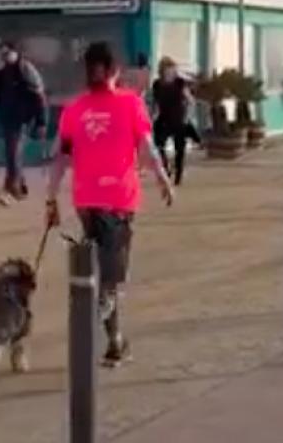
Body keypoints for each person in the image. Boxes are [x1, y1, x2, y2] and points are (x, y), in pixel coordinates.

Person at [44, 42, 175, 368]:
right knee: (112, 278)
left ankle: (115, 341)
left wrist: (50, 197)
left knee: (103, 272)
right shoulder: (130, 104)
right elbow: (147, 147)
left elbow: (60, 156)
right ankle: (97, 321)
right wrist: (163, 181)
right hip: (119, 200)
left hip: (87, 201)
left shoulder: (75, 110)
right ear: (115, 71)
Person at [0, 41, 48, 205]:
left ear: (15, 52)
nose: (4, 57)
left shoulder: (25, 69)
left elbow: (39, 96)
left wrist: (41, 122)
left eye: (7, 53)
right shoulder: (1, 72)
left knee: (13, 153)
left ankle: (12, 190)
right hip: (7, 118)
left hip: (23, 119)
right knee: (13, 153)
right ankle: (20, 185)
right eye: (1, 54)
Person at [149, 57, 197, 184]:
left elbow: (190, 101)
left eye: (173, 69)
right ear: (162, 71)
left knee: (179, 148)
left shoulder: (180, 83)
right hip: (164, 118)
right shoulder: (157, 84)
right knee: (159, 144)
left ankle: (178, 174)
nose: (171, 72)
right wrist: (152, 116)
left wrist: (187, 117)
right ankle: (166, 166)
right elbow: (155, 103)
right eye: (168, 69)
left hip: (178, 119)